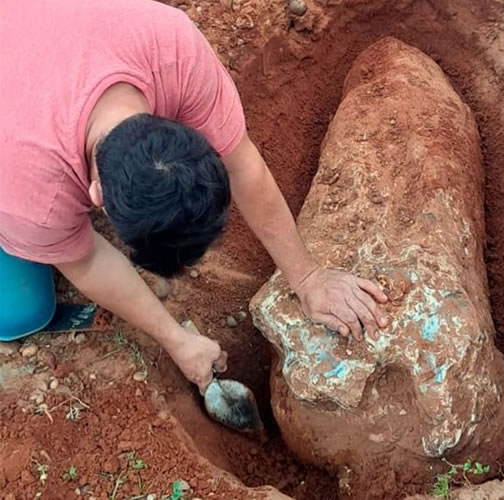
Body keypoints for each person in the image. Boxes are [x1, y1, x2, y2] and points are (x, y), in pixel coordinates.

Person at [0, 0, 389, 394]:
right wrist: (177, 341)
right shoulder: (32, 198)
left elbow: (243, 165)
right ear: (96, 195)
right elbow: (86, 260)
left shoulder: (173, 48)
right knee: (20, 313)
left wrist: (308, 277)